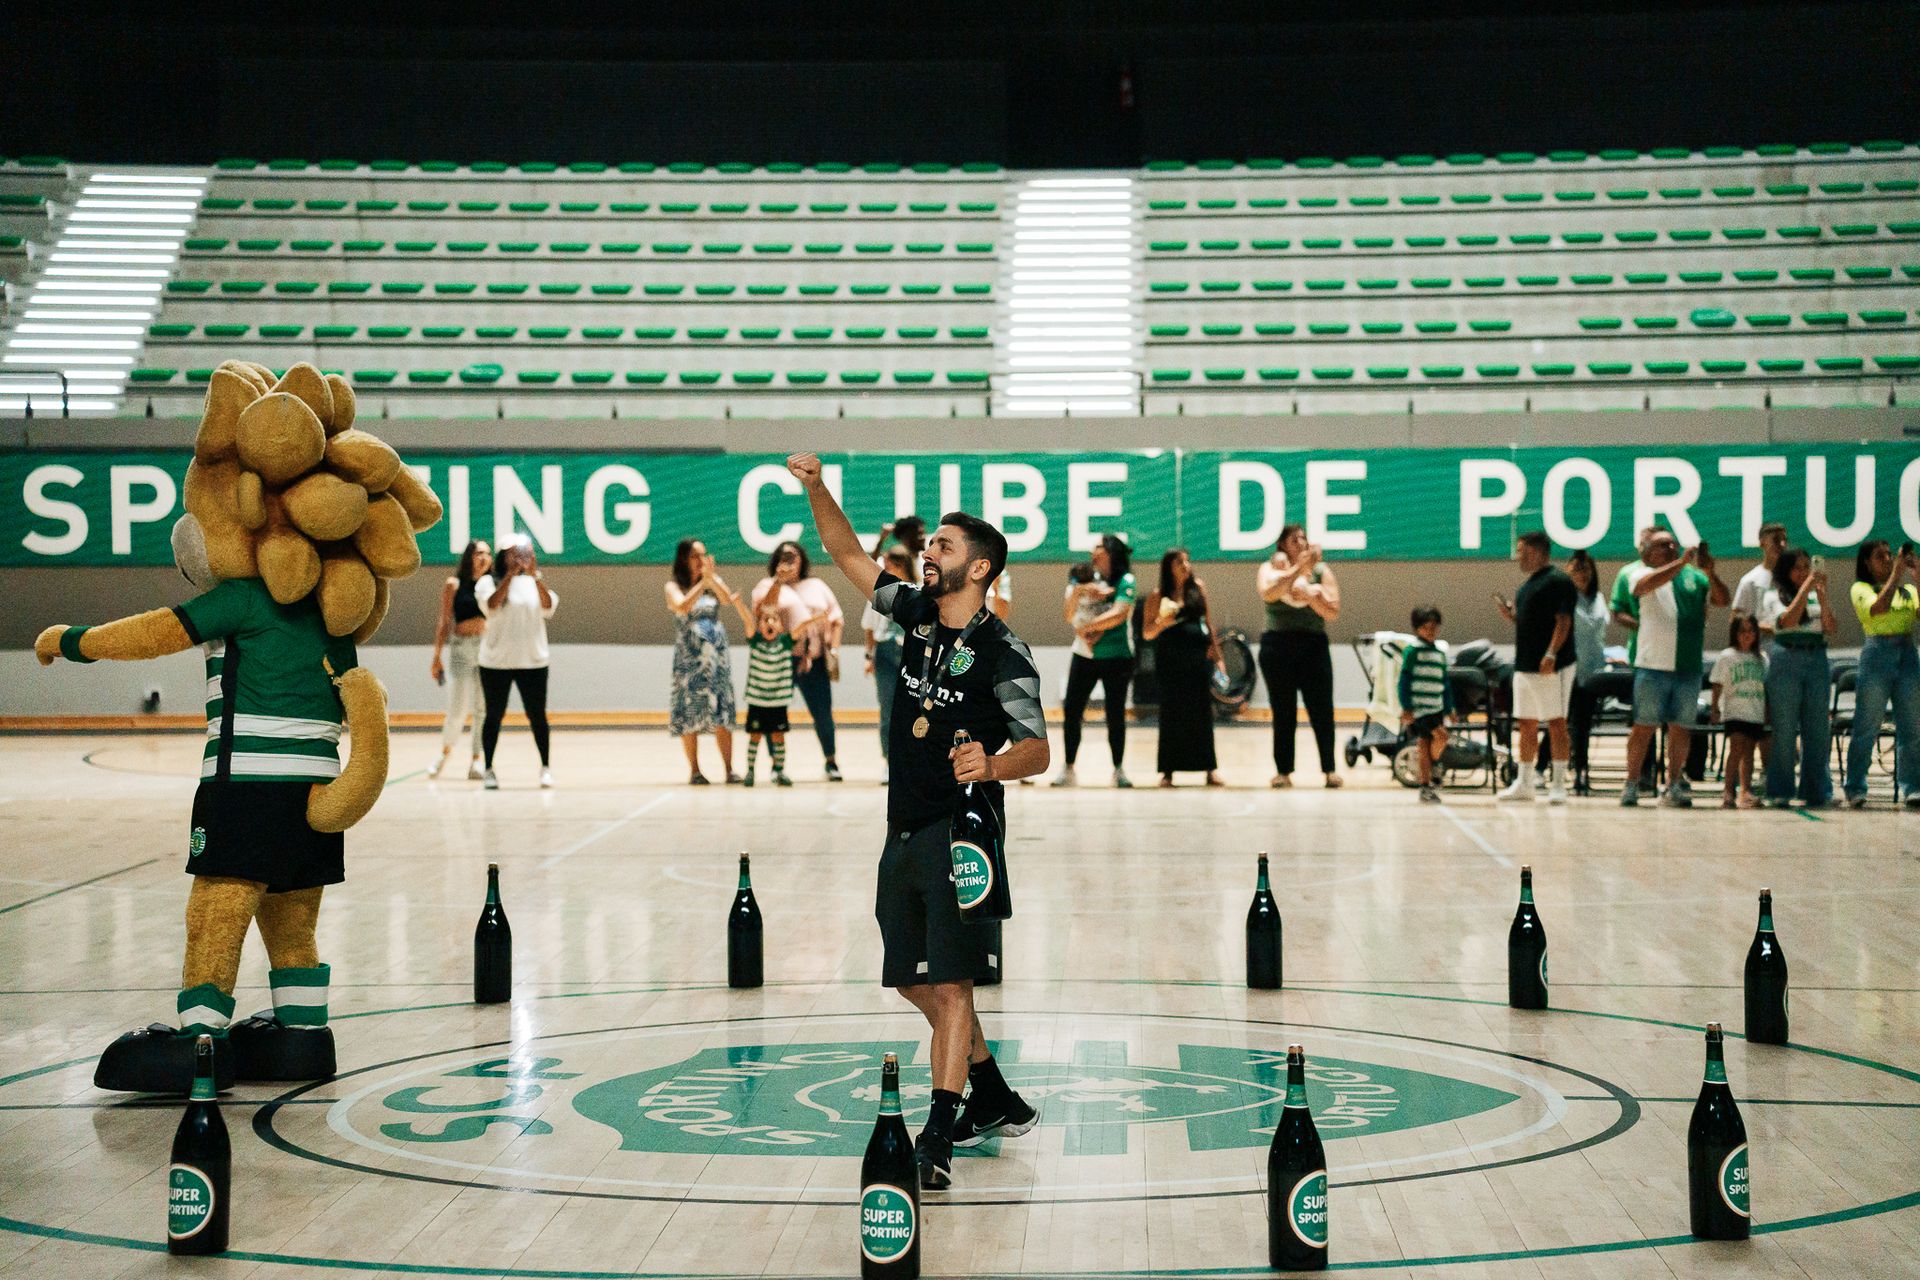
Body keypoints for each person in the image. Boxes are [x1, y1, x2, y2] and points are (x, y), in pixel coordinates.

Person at [785, 450, 1046, 1193]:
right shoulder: (915, 612)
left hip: (962, 835)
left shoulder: (1005, 653)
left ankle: (938, 1133)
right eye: (930, 542)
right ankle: (991, 1090)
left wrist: (992, 766)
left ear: (981, 569)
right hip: (902, 823)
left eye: (945, 546)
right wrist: (817, 486)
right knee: (908, 976)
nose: (929, 552)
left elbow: (1039, 749)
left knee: (953, 981)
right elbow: (842, 552)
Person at [1620, 529, 1730, 808]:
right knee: (1643, 727)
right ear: (1646, 551)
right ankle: (1631, 784)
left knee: (1681, 729)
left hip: (1687, 666)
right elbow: (1642, 588)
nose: (1669, 548)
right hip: (1652, 665)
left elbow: (1721, 599)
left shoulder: (1695, 577)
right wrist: (1680, 563)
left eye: (1672, 544)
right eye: (1661, 545)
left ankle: (1673, 785)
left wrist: (1711, 572)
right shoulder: (1639, 573)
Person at [1256, 524, 1343, 790]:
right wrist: (1297, 571)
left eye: (1304, 538)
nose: (1302, 543)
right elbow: (1268, 592)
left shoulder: (1321, 571)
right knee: (1283, 711)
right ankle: (1283, 771)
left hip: (1312, 644)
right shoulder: (1269, 569)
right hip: (1278, 645)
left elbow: (1333, 611)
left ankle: (1329, 769)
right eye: (1295, 539)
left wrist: (1310, 595)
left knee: (1321, 709)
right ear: (1282, 544)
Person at [754, 541, 847, 781]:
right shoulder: (767, 585)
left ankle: (831, 761)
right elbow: (765, 609)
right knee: (774, 714)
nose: (789, 561)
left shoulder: (816, 585)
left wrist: (834, 651)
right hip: (779, 660)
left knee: (822, 712)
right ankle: (777, 766)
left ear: (802, 559)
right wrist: (778, 580)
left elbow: (837, 619)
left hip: (814, 660)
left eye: (793, 556)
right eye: (784, 556)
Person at [1052, 533, 1137, 788]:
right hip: (1084, 655)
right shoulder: (1080, 576)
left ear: (1110, 552)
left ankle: (1118, 769)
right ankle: (1068, 768)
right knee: (1073, 711)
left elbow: (1119, 614)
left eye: (1099, 546)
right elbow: (1068, 615)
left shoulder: (1125, 580)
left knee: (1115, 714)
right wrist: (1079, 591)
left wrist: (1089, 626)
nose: (1093, 551)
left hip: (1117, 656)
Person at [1497, 531, 1576, 804]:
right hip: (1526, 665)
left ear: (1536, 551)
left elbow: (1563, 621)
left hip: (1551, 666)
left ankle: (1557, 784)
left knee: (1556, 722)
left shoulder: (1559, 581)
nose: (1518, 556)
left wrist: (1552, 653)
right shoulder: (1526, 586)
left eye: (1521, 550)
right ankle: (1524, 783)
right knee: (1526, 723)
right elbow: (1530, 623)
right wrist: (1513, 617)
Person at [475, 538, 557, 790]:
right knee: (493, 716)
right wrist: (509, 577)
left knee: (538, 716)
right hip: (496, 662)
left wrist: (535, 577)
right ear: (503, 556)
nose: (521, 558)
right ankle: (488, 768)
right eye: (514, 553)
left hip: (532, 661)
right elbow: (491, 605)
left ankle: (545, 767)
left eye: (526, 553)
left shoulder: (534, 583)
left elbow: (548, 606)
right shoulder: (488, 582)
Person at [1757, 547, 1836, 807]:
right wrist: (1806, 589)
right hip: (1786, 657)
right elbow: (1787, 620)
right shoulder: (1773, 596)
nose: (1804, 572)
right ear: (1786, 570)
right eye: (1798, 568)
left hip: (1816, 658)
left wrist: (1822, 597)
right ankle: (1780, 789)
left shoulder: (1816, 595)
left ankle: (1816, 790)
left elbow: (1831, 627)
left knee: (1817, 729)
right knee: (1785, 728)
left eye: (1807, 567)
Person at [1847, 540, 1920, 808]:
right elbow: (1877, 608)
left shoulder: (1908, 589)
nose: (1888, 560)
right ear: (1866, 562)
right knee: (1867, 725)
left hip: (1906, 652)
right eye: (1880, 557)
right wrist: (1896, 575)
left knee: (1912, 725)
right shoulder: (1860, 588)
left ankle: (1912, 786)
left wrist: (1917, 576)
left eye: (1890, 556)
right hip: (1877, 651)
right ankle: (1855, 786)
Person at [1142, 547, 1222, 787]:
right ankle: (1167, 771)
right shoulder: (1157, 596)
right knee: (1172, 714)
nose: (1185, 566)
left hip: (1198, 661)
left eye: (1187, 561)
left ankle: (1209, 768)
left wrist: (1216, 653)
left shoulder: (1197, 588)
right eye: (1179, 562)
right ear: (1168, 567)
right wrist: (1161, 623)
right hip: (1170, 662)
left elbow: (1207, 621)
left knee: (1202, 714)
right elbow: (1147, 633)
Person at [665, 538, 742, 786]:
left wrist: (711, 579)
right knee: (690, 714)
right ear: (684, 559)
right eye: (695, 556)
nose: (701, 560)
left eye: (703, 554)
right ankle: (695, 770)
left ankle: (729, 769)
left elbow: (727, 599)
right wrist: (702, 584)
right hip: (690, 663)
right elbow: (682, 606)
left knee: (721, 713)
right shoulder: (673, 586)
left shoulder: (710, 584)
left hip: (716, 661)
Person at [738, 597, 831, 787]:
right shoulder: (756, 641)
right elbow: (748, 621)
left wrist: (818, 618)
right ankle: (750, 771)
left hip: (777, 702)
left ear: (780, 626)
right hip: (758, 701)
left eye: (774, 619)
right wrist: (739, 603)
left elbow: (801, 625)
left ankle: (779, 770)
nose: (770, 623)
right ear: (760, 625)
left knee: (778, 737)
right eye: (765, 620)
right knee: (755, 736)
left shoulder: (785, 643)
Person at [427, 539, 491, 780]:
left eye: (487, 553)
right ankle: (444, 754)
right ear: (468, 557)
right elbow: (444, 622)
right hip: (461, 648)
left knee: (482, 709)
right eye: (478, 553)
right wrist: (436, 656)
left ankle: (476, 760)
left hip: (485, 648)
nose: (483, 557)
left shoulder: (493, 585)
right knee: (457, 707)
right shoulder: (454, 585)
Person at [1709, 613, 1769, 809]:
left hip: (1755, 711)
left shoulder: (1761, 658)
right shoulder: (1727, 657)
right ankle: (1728, 791)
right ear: (1735, 633)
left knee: (1750, 751)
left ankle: (1745, 790)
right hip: (1735, 711)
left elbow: (1766, 687)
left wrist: (1767, 711)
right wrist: (1715, 708)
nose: (1747, 635)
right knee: (1736, 749)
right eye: (1743, 631)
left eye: (1751, 631)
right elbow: (1717, 684)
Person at [865, 546, 914, 786]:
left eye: (890, 564)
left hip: (911, 652)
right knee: (888, 708)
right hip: (885, 652)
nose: (885, 568)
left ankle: (914, 760)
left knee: (916, 707)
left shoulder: (919, 590)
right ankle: (889, 760)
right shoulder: (881, 592)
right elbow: (869, 626)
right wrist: (868, 656)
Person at [1564, 550, 1611, 795]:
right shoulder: (1564, 599)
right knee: (1562, 722)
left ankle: (1581, 771)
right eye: (1577, 570)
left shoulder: (1599, 599)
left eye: (1586, 570)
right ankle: (1544, 767)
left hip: (1594, 672)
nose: (1582, 575)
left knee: (1582, 724)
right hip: (1569, 668)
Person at [1399, 605, 1454, 804]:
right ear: (1417, 629)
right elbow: (1404, 679)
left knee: (1429, 744)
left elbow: (1444, 682)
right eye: (1425, 627)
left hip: (1436, 706)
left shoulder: (1439, 653)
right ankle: (1431, 774)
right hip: (1420, 709)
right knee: (1438, 737)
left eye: (1434, 627)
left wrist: (1449, 708)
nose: (1430, 631)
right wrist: (1406, 706)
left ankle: (1428, 780)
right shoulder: (1413, 651)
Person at [1732, 522, 1790, 618]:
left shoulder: (1794, 577)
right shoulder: (1749, 581)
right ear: (1762, 543)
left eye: (1784, 540)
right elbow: (1736, 620)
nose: (1782, 544)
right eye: (1776, 540)